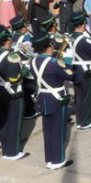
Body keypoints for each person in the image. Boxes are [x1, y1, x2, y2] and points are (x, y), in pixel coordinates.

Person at [30, 32, 75, 170]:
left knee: (47, 129)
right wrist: (67, 59)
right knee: (58, 129)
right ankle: (57, 160)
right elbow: (70, 75)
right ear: (49, 46)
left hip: (43, 97)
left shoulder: (33, 61)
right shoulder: (54, 63)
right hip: (57, 97)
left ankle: (49, 159)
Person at [0, 27, 27, 160]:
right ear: (7, 40)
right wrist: (26, 68)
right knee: (14, 122)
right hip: (13, 92)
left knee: (4, 122)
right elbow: (14, 78)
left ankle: (7, 149)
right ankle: (13, 152)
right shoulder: (11, 56)